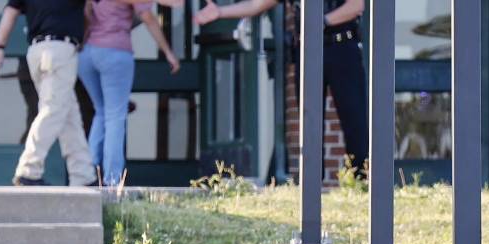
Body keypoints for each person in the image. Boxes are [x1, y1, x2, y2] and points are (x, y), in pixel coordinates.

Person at [194, 0, 368, 177]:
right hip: (308, 50)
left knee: (356, 121)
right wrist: (220, 12)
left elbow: (356, 6)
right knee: (310, 126)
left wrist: (320, 21)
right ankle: (311, 185)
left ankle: (361, 182)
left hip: (343, 48)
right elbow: (256, 4)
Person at [0, 0, 96, 186]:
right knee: (53, 110)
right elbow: (89, 11)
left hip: (36, 51)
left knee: (69, 115)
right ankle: (28, 170)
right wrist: (82, 36)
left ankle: (83, 175)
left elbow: (11, 11)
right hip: (61, 49)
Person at [78, 0, 181, 187]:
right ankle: (112, 179)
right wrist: (168, 52)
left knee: (101, 112)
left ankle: (87, 173)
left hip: (86, 54)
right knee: (115, 115)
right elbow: (148, 18)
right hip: (114, 52)